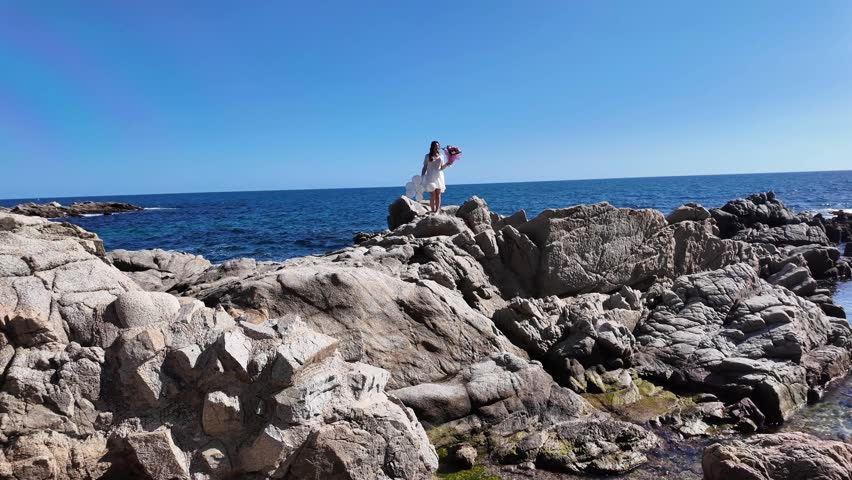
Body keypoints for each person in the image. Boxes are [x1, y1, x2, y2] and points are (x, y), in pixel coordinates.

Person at [421, 140, 448, 213]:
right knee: (432, 194)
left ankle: (437, 211)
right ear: (432, 147)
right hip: (430, 176)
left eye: (438, 146)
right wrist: (422, 176)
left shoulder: (441, 156)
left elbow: (442, 167)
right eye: (436, 146)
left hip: (439, 176)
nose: (437, 148)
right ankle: (432, 210)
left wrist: (447, 164)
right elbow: (425, 167)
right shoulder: (427, 156)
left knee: (438, 194)